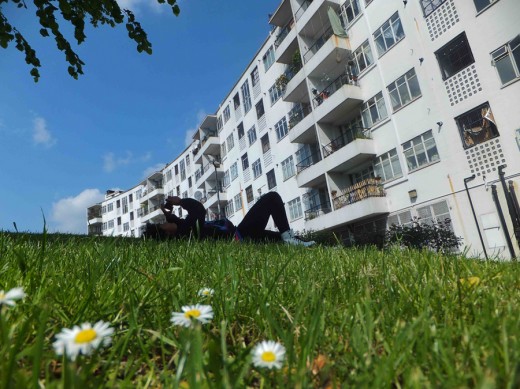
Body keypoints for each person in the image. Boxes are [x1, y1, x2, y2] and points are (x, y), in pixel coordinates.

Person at [143, 191, 315, 247]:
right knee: (271, 198)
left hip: (243, 235)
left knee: (281, 242)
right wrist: (180, 202)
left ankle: (292, 240)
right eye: (162, 224)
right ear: (165, 232)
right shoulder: (186, 233)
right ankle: (288, 237)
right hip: (241, 235)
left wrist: (167, 213)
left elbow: (178, 222)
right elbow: (198, 211)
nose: (165, 222)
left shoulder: (183, 231)